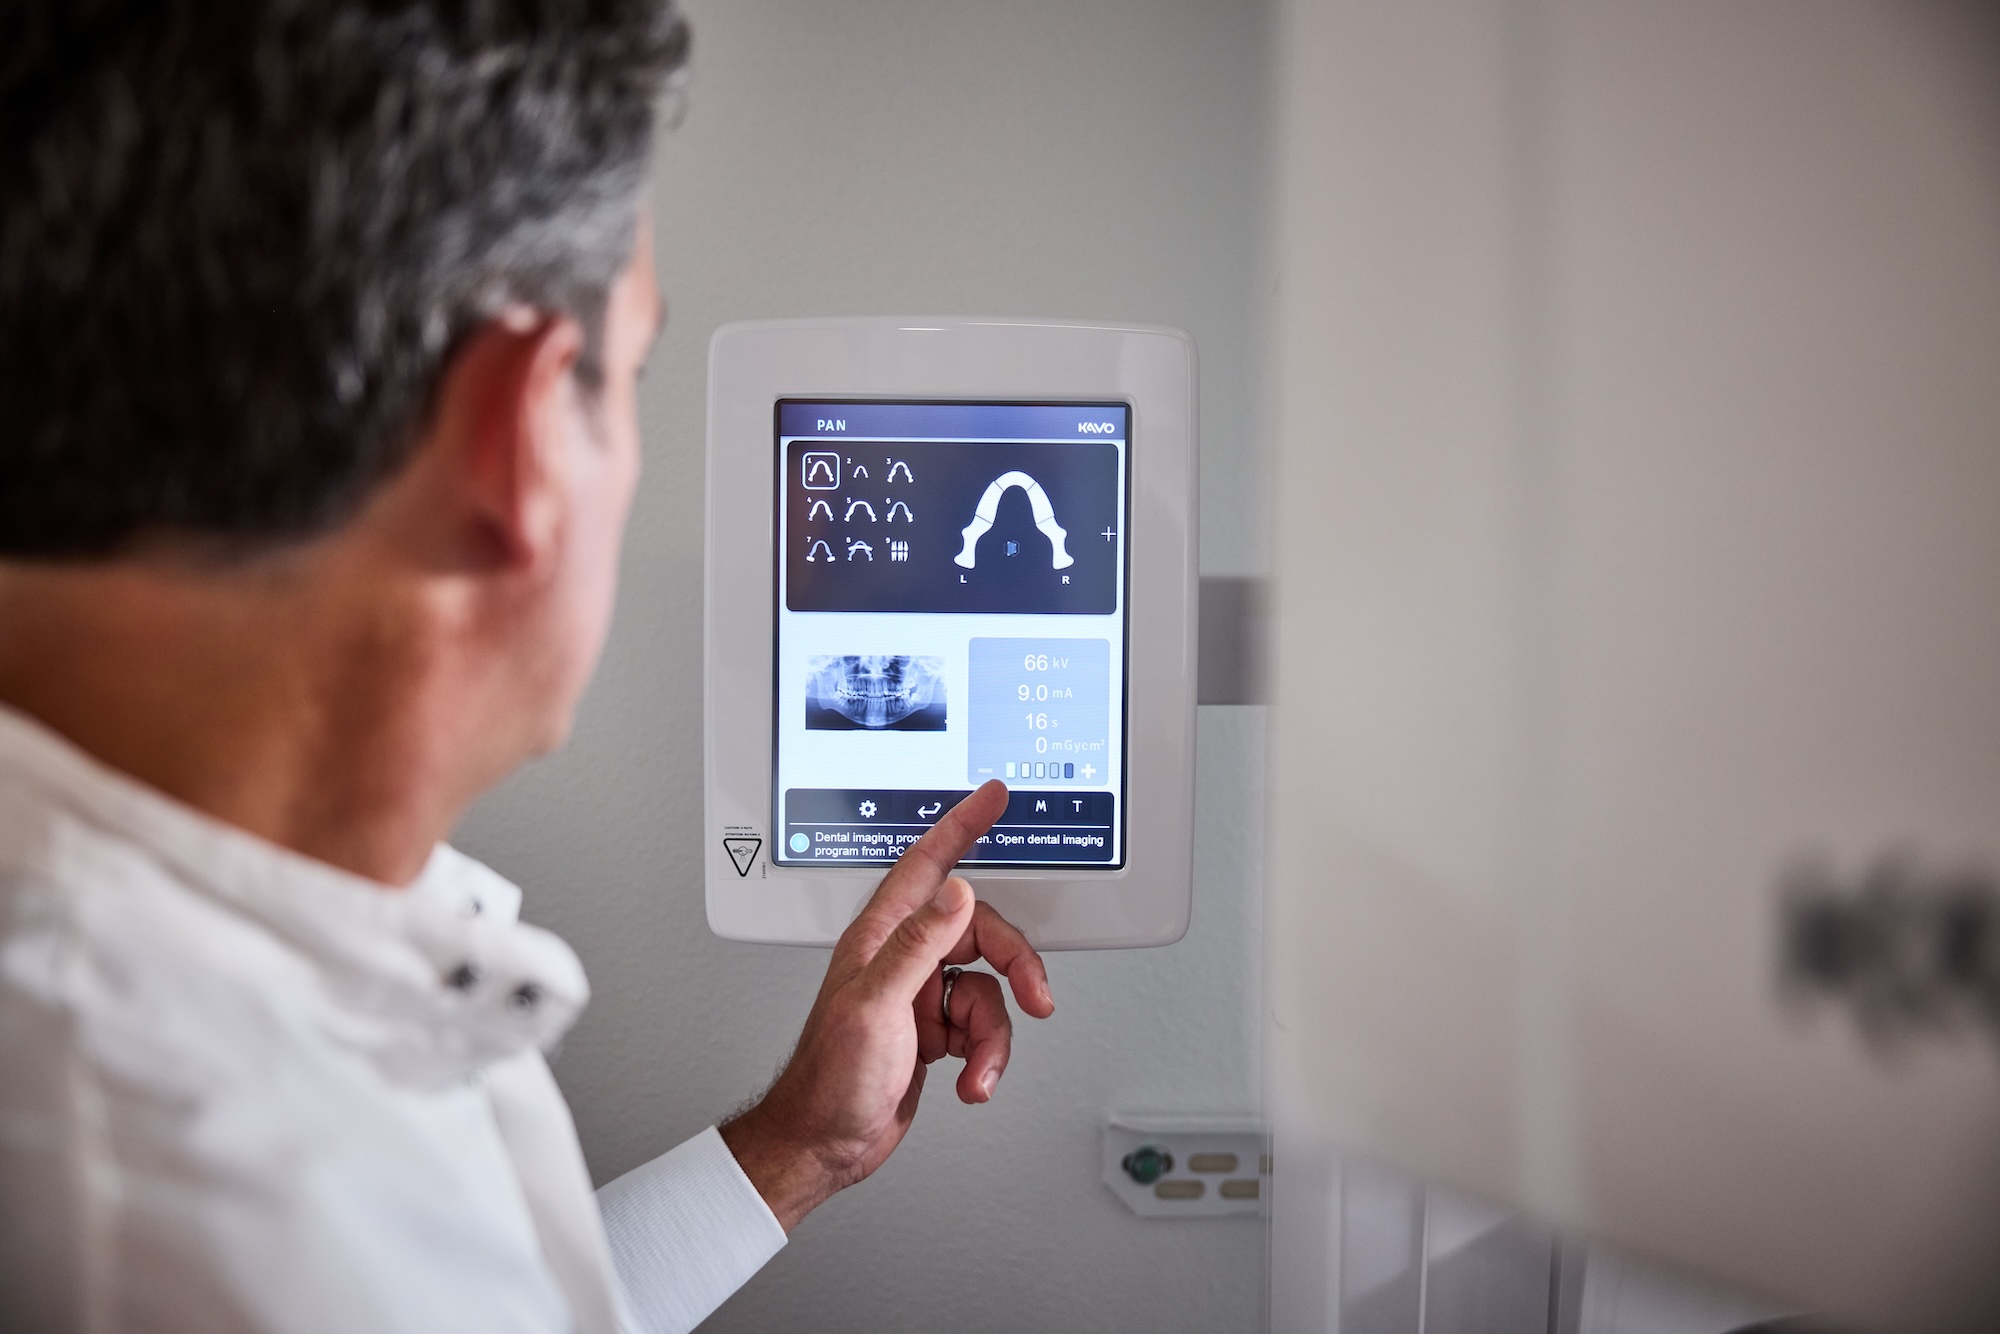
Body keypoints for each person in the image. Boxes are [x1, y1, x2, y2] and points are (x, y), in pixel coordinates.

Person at [0, 3, 1054, 1330]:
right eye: (630, 374)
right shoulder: (208, 1224)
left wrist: (802, 1145)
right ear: (521, 439)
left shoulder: (182, 1002)